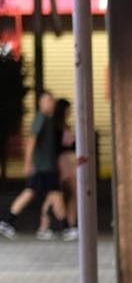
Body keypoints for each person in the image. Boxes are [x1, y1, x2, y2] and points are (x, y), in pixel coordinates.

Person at [1, 90, 60, 239]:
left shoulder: (47, 119)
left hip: (46, 167)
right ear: (41, 103)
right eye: (47, 100)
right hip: (42, 167)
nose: (50, 103)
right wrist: (28, 163)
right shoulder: (40, 118)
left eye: (51, 100)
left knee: (48, 194)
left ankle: (43, 226)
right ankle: (65, 226)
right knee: (45, 193)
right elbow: (31, 139)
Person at [44, 97, 78, 240]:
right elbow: (56, 147)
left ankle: (70, 224)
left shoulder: (64, 125)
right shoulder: (55, 126)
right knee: (56, 194)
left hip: (67, 161)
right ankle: (63, 225)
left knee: (65, 194)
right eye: (67, 110)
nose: (69, 113)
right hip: (60, 162)